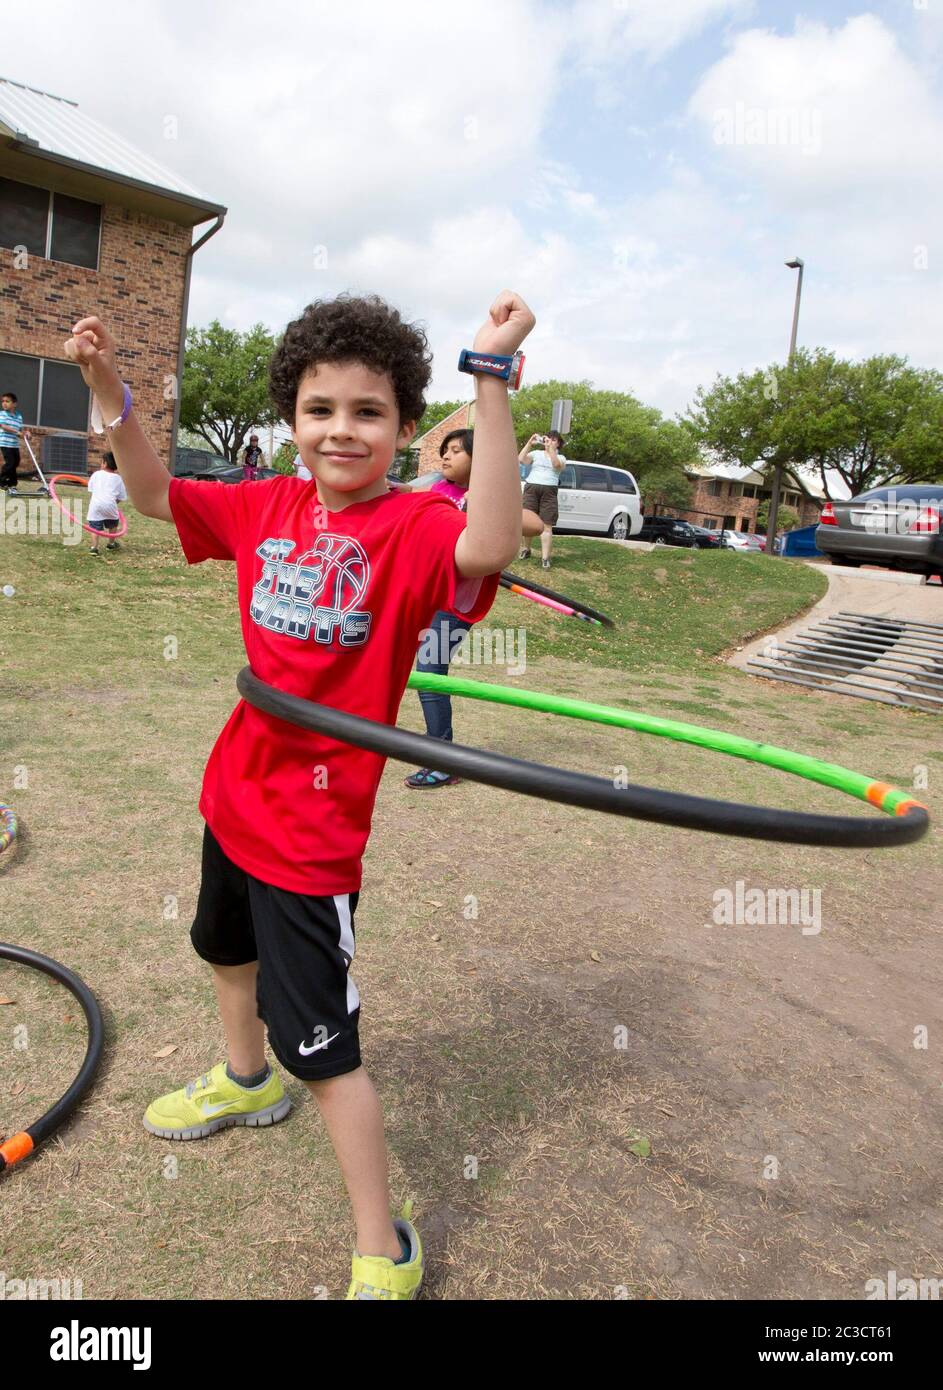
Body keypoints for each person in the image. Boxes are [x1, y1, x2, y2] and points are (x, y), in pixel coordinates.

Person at [63, 288, 534, 1301]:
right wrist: (107, 383)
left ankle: (383, 1241)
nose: (341, 430)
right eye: (320, 409)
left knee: (324, 1053)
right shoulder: (266, 504)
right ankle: (242, 1081)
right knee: (221, 950)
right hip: (234, 792)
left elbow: (490, 544)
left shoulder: (414, 527)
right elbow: (151, 494)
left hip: (312, 836)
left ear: (406, 426)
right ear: (292, 419)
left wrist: (488, 382)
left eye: (368, 411)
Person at [405, 427, 542, 788]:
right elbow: (401, 494)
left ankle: (441, 758)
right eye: (444, 450)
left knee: (430, 671)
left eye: (455, 450)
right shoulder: (436, 489)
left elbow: (535, 523)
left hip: (454, 601)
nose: (446, 456)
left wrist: (480, 515)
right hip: (420, 593)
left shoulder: (486, 497)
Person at [518, 429, 567, 569]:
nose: (549, 441)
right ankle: (526, 549)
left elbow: (556, 465)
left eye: (554, 440)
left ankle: (545, 558)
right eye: (548, 438)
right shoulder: (536, 454)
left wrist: (551, 449)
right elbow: (521, 459)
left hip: (549, 491)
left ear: (558, 444)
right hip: (531, 488)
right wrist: (529, 443)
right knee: (528, 522)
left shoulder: (561, 458)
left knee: (547, 524)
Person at [86, 451, 128, 554]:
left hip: (95, 505)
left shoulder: (96, 474)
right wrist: (113, 503)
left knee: (94, 527)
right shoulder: (118, 478)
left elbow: (91, 489)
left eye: (102, 462)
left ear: (104, 463)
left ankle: (94, 548)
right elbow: (121, 497)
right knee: (113, 523)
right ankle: (111, 544)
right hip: (110, 505)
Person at [0, 392, 28, 497]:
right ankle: (2, 482)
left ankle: (12, 484)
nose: (4, 403)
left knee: (16, 463)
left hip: (14, 444)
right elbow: (4, 426)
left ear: (14, 404)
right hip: (5, 443)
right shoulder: (2, 414)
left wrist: (26, 433)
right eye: (3, 401)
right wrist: (17, 432)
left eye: (7, 401)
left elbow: (21, 429)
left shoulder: (18, 416)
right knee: (10, 463)